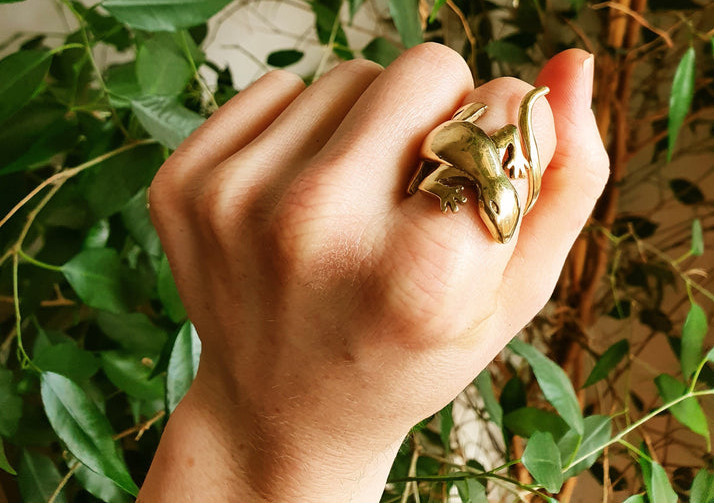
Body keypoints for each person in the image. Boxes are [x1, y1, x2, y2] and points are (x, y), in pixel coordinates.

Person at [137, 43, 609, 502]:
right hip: (456, 146)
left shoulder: (496, 175)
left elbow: (497, 147)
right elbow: (434, 174)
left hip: (485, 155)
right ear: (486, 198)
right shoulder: (472, 181)